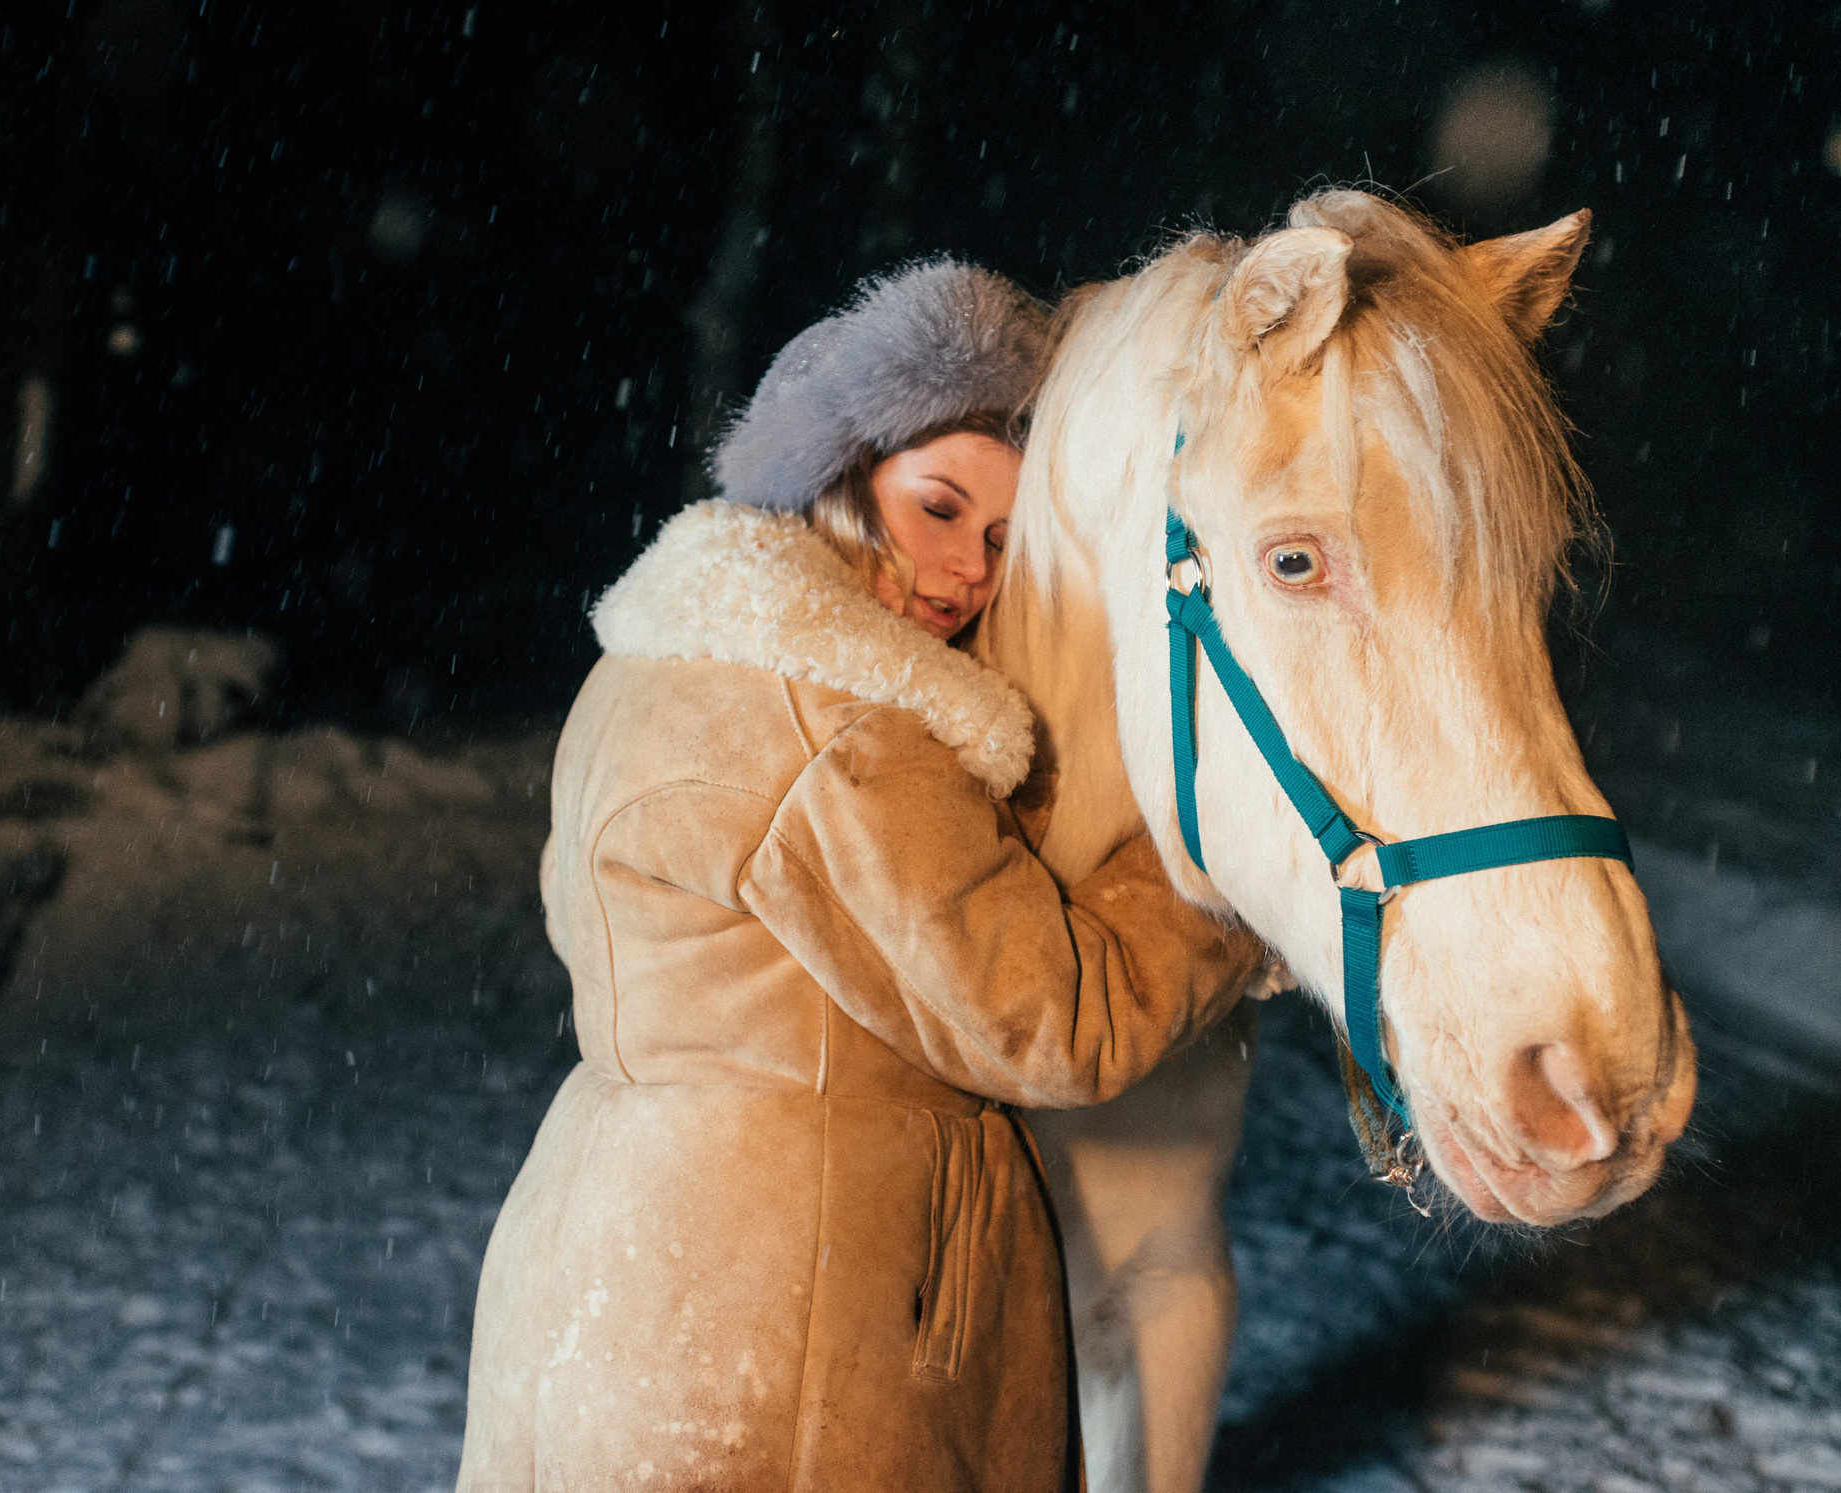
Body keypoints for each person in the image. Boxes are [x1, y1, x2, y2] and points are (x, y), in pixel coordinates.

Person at [458, 260, 1272, 1492]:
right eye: (937, 507)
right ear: (837, 477)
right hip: (789, 1310)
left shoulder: (658, 661)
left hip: (620, 1257)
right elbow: (1050, 1023)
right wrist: (1211, 877)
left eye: (1003, 538)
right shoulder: (846, 723)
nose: (964, 570)